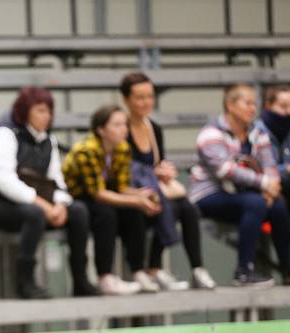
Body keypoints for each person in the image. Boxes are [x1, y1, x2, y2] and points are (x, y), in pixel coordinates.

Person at [0, 86, 98, 299]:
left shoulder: (48, 140)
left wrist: (60, 205)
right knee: (34, 213)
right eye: (39, 110)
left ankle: (80, 280)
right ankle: (25, 282)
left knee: (79, 211)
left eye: (48, 111)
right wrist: (45, 206)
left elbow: (56, 181)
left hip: (30, 204)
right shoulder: (5, 134)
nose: (46, 116)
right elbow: (5, 182)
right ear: (25, 111)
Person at [119, 72, 216, 290]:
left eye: (150, 96)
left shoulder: (154, 128)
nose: (146, 102)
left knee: (187, 208)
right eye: (139, 97)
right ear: (126, 100)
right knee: (164, 205)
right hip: (128, 192)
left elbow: (157, 163)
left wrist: (165, 171)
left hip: (152, 190)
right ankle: (150, 269)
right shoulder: (120, 129)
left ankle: (197, 269)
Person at [189, 84, 290, 287]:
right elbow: (226, 171)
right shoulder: (210, 134)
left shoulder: (256, 133)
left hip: (244, 195)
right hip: (209, 195)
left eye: (254, 104)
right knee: (255, 203)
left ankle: (288, 270)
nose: (253, 108)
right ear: (230, 105)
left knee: (278, 206)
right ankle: (243, 272)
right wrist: (265, 183)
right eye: (248, 103)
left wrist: (272, 187)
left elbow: (269, 164)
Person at [63, 104, 161, 296]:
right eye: (116, 125)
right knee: (106, 214)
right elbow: (97, 193)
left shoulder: (123, 148)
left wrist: (140, 195)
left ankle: (138, 271)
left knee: (135, 211)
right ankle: (105, 276)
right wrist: (135, 200)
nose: (123, 129)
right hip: (77, 198)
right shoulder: (86, 150)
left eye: (124, 124)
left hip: (104, 194)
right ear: (101, 129)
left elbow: (122, 187)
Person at [254, 85, 290, 204]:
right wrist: (286, 169)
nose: (288, 111)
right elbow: (257, 170)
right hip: (263, 187)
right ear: (268, 105)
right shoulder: (256, 132)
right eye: (283, 106)